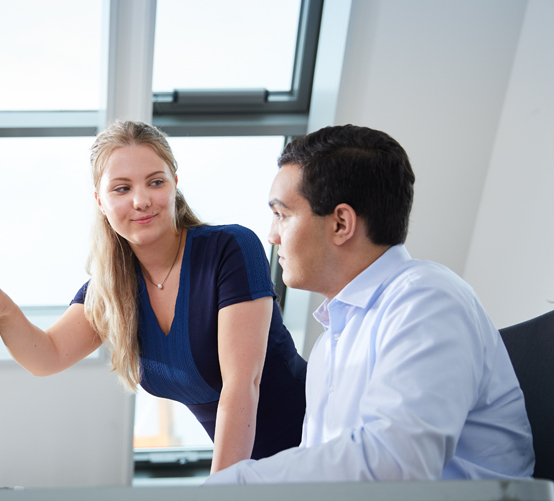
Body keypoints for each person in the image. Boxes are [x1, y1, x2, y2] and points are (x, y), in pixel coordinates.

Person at [0, 120, 307, 473]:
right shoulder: (110, 290)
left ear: (175, 185)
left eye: (155, 182)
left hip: (316, 447)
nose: (141, 201)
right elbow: (47, 356)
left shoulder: (229, 249)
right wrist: (1, 308)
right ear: (100, 201)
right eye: (121, 189)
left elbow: (243, 384)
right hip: (254, 472)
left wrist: (224, 488)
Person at [205, 124, 535, 484]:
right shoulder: (330, 343)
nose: (271, 235)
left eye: (282, 214)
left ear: (341, 223)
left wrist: (236, 483)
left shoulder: (427, 300)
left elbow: (396, 464)